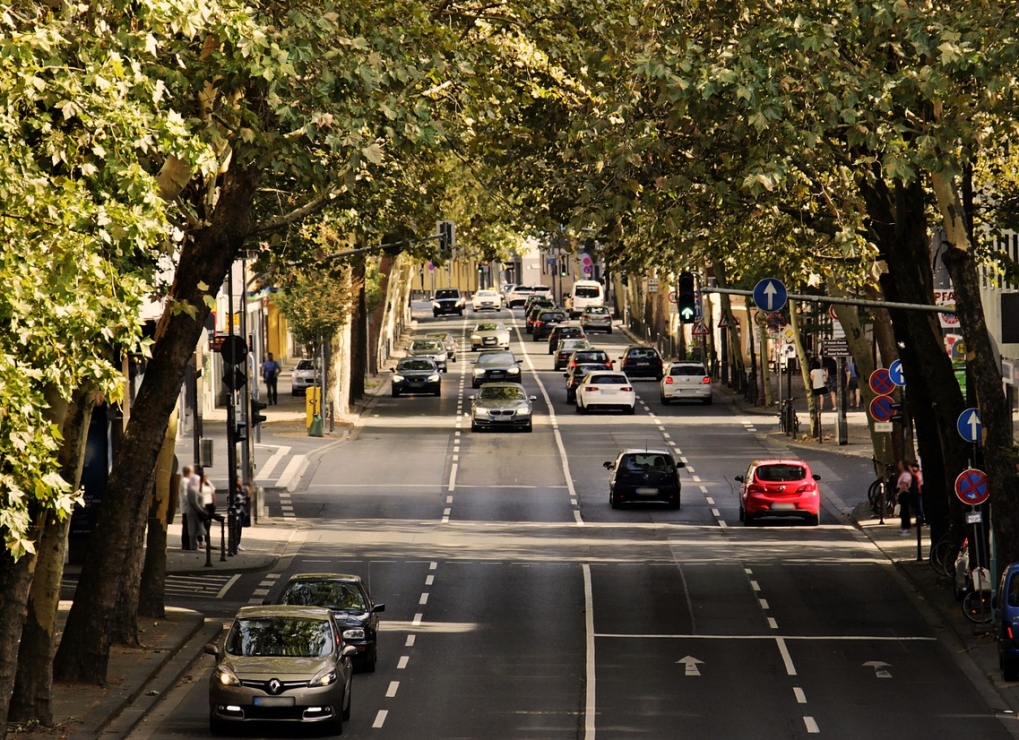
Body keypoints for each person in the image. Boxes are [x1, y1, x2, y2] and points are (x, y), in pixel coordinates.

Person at [186, 466, 206, 549]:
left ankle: (195, 545)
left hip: (197, 512)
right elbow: (194, 503)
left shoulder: (195, 489)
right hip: (194, 512)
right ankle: (193, 546)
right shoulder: (192, 490)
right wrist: (202, 511)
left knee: (197, 529)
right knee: (193, 529)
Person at [896, 460, 916, 535]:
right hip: (903, 493)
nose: (899, 465)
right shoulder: (903, 474)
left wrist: (898, 493)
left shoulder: (906, 474)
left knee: (904, 511)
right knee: (903, 511)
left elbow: (904, 486)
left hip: (904, 494)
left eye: (900, 464)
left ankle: (906, 528)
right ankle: (903, 527)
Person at [178, 465, 192, 550]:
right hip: (187, 508)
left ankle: (187, 544)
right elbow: (187, 495)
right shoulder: (185, 481)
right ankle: (186, 544)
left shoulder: (185, 481)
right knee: (187, 526)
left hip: (187, 508)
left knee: (187, 526)